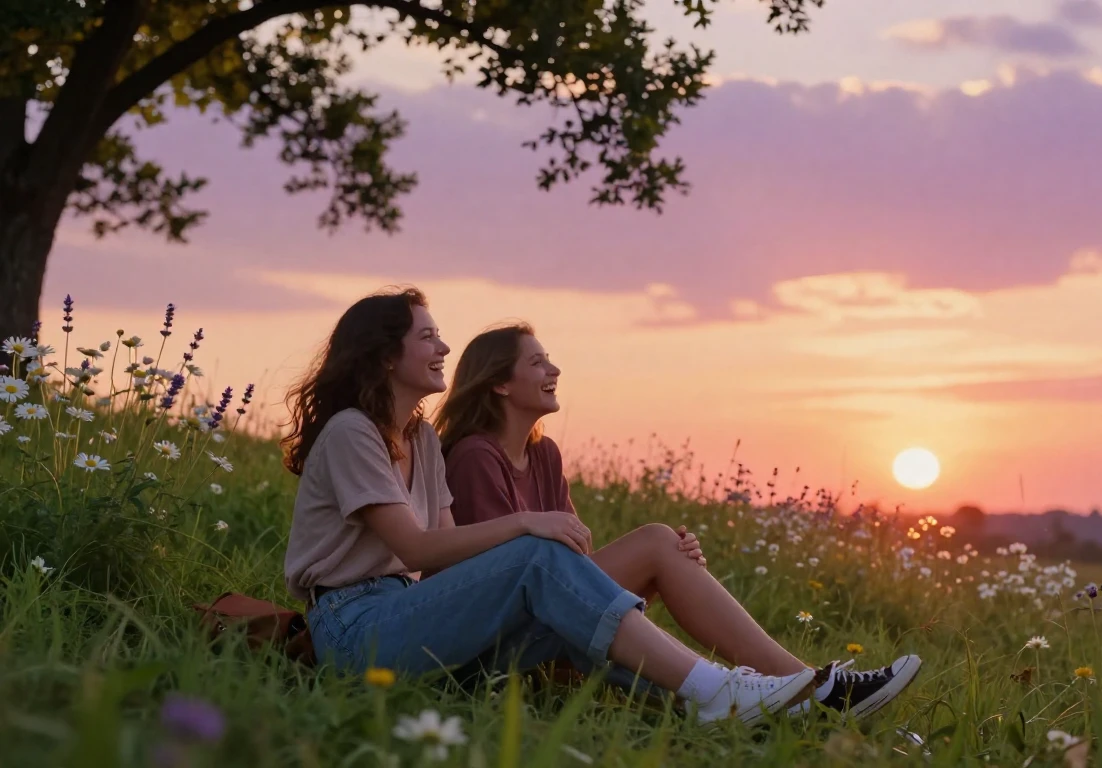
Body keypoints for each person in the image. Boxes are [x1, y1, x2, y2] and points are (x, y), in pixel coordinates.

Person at [280, 287, 818, 726]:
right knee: (536, 552)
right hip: (357, 630)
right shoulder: (353, 431)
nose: (443, 348)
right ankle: (724, 690)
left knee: (561, 578)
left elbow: (441, 564)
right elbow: (414, 545)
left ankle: (776, 702)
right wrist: (525, 526)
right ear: (384, 354)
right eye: (427, 337)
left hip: (414, 616)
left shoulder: (420, 438)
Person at [434, 322, 922, 721]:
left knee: (664, 547)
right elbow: (513, 580)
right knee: (655, 542)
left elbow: (574, 565)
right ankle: (816, 688)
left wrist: (669, 569)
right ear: (499, 382)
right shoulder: (477, 456)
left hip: (548, 628)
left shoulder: (544, 454)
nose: (554, 368)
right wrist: (653, 560)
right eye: (537, 361)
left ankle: (795, 693)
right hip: (499, 652)